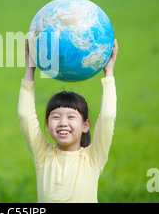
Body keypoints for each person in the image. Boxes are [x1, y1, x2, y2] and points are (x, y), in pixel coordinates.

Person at [18, 38, 118, 202]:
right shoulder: (42, 155)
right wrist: (30, 68)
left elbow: (107, 117)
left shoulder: (93, 158)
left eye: (71, 117)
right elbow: (24, 116)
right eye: (55, 117)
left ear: (86, 125)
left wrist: (109, 72)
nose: (63, 122)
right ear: (47, 126)